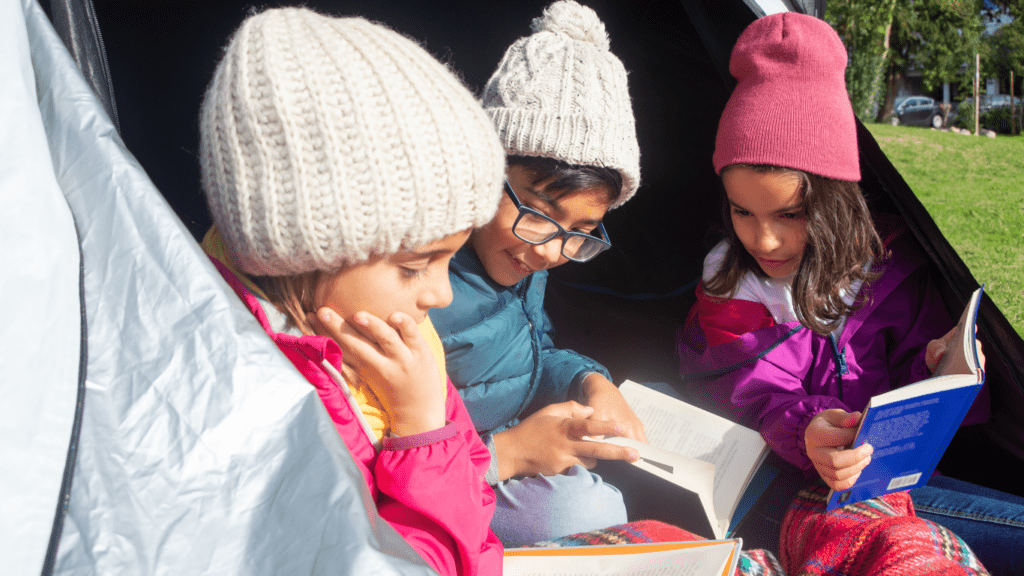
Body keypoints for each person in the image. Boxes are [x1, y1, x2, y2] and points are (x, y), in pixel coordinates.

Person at [676, 12, 1024, 574]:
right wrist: (804, 430)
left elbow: (910, 406)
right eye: (743, 211)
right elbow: (751, 394)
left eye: (790, 213)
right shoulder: (731, 286)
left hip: (891, 483)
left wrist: (938, 370)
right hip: (788, 492)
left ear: (836, 199)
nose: (763, 238)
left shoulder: (889, 268)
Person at [196, 8, 507, 575]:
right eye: (416, 266)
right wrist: (418, 427)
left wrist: (426, 417)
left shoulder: (395, 343)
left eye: (450, 260)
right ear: (301, 252)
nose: (441, 294)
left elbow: (474, 491)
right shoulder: (263, 400)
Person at [428, 0, 647, 547]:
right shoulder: (419, 278)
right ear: (485, 167)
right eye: (542, 213)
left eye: (582, 231)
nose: (554, 252)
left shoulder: (526, 251)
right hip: (456, 481)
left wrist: (590, 381)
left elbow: (532, 349)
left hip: (509, 447)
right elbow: (384, 456)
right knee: (583, 509)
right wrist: (510, 454)